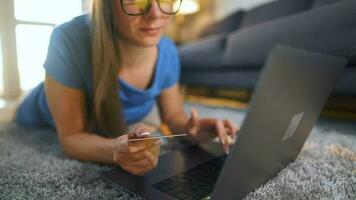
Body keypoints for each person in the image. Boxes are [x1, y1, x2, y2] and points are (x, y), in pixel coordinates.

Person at [15, 0, 238, 176]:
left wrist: (193, 128)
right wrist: (114, 150)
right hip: (37, 110)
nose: (155, 14)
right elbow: (72, 137)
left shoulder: (168, 51)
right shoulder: (68, 38)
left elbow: (173, 116)